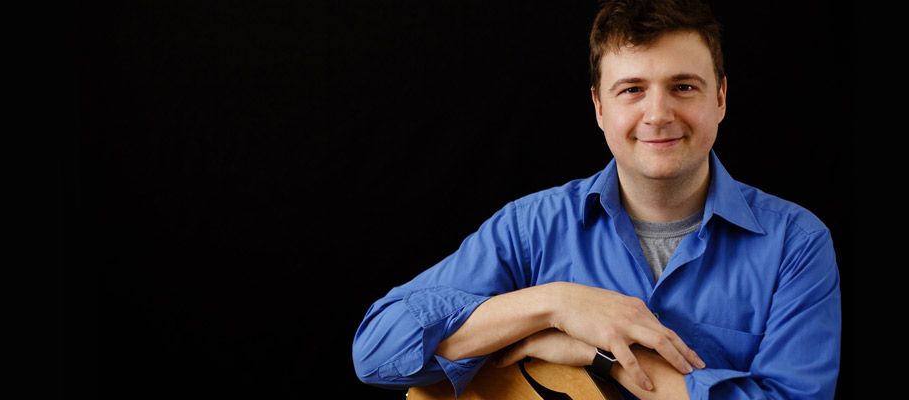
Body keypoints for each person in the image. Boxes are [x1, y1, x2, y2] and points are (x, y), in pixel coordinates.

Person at [352, 0, 842, 398]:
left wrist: (602, 359)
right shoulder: (532, 227)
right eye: (632, 89)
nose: (658, 114)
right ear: (598, 107)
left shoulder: (795, 244)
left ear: (720, 98)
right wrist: (555, 305)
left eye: (683, 87)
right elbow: (377, 352)